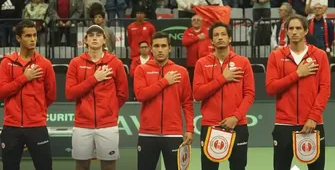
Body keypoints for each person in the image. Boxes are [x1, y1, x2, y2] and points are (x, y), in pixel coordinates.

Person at [266, 14, 330, 170]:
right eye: (291, 29)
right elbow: (271, 88)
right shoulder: (276, 56)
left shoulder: (320, 56)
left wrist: (313, 118)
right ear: (286, 32)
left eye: (298, 28)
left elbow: (325, 90)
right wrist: (297, 74)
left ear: (306, 31)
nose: (294, 32)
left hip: (312, 124)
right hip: (283, 124)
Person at [65, 25, 129, 170]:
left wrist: (109, 109)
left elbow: (123, 94)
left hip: (107, 124)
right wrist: (95, 79)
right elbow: (70, 94)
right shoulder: (75, 63)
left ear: (104, 40)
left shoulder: (115, 63)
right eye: (91, 35)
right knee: (81, 165)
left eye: (99, 35)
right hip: (82, 124)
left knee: (108, 164)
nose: (95, 38)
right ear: (85, 40)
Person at [193, 22, 255, 170]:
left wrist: (236, 117)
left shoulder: (243, 62)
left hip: (237, 125)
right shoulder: (202, 63)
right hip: (210, 126)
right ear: (211, 41)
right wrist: (223, 78)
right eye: (216, 35)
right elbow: (198, 94)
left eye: (223, 34)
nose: (220, 38)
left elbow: (250, 94)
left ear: (230, 39)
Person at [0, 20, 56, 170]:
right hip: (11, 127)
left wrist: (37, 110)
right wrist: (25, 78)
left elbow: (50, 95)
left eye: (35, 35)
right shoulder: (7, 63)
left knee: (44, 167)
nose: (32, 39)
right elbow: (2, 92)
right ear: (18, 38)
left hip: (37, 126)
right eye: (28, 36)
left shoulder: (45, 64)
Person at [134, 32, 194, 170]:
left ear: (170, 48)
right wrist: (165, 81)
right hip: (147, 134)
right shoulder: (141, 69)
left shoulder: (181, 72)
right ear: (151, 49)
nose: (160, 49)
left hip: (173, 133)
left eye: (163, 46)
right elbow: (141, 95)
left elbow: (187, 103)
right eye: (156, 46)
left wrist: (190, 128)